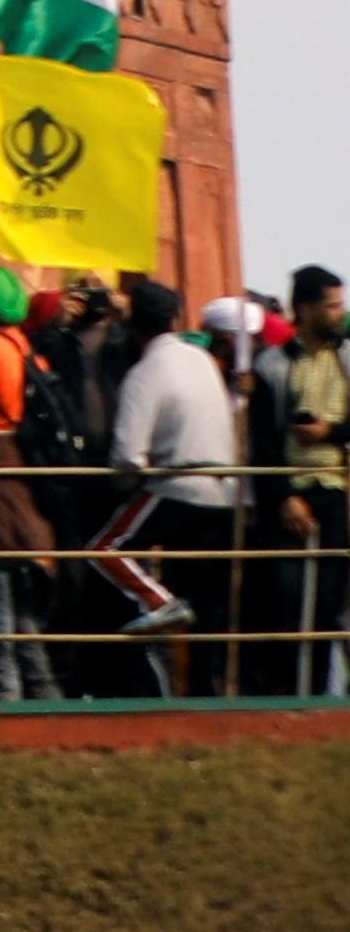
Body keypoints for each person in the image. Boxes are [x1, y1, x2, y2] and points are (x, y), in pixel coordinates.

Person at [105, 268, 244, 694]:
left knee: (101, 551)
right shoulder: (200, 359)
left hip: (176, 487)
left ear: (133, 326)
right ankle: (205, 698)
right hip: (224, 493)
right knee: (205, 606)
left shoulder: (146, 372)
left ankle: (158, 602)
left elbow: (128, 456)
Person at [259, 266, 350, 703]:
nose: (340, 312)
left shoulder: (347, 359)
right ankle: (288, 696)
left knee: (330, 601)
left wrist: (329, 433)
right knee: (286, 597)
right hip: (289, 491)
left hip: (337, 490)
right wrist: (285, 497)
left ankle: (319, 698)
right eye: (331, 305)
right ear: (305, 308)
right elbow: (261, 439)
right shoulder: (273, 365)